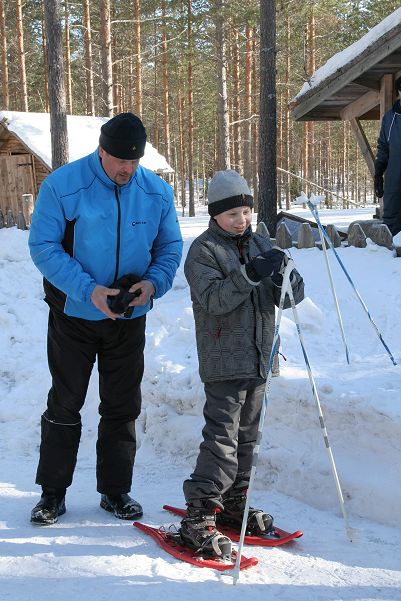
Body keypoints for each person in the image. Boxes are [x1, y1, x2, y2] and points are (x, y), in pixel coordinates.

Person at [28, 112, 183, 525]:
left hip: (129, 318)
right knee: (65, 402)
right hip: (73, 315)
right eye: (118, 161)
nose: (126, 170)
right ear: (102, 151)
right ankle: (52, 494)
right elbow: (43, 246)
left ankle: (115, 491)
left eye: (133, 162)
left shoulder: (156, 192)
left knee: (122, 405)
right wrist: (87, 290)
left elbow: (169, 247)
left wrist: (152, 285)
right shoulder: (63, 185)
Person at [179, 170, 304, 556]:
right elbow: (215, 300)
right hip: (223, 360)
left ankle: (235, 502)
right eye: (232, 213)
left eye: (246, 211)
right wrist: (250, 274)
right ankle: (199, 513)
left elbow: (289, 298)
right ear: (215, 214)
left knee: (248, 437)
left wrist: (287, 275)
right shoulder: (202, 252)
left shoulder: (260, 242)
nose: (242, 220)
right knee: (222, 439)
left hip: (260, 358)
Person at [374, 76, 401, 237]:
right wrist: (378, 174)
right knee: (391, 219)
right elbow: (383, 147)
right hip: (394, 179)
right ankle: (390, 257)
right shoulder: (390, 118)